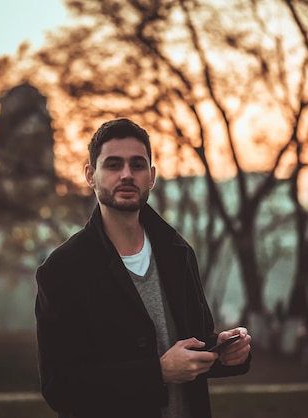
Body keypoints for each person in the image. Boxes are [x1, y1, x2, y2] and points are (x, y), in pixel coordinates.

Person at [35, 118, 252, 418]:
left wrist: (228, 353)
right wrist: (157, 372)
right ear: (90, 176)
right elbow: (60, 387)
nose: (126, 174)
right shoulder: (61, 271)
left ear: (151, 176)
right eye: (113, 165)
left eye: (137, 165)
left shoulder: (178, 252)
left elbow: (195, 344)